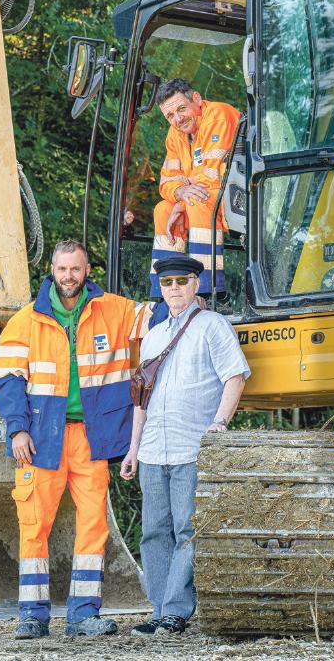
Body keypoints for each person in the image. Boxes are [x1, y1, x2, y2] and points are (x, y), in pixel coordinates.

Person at [0, 239, 152, 640]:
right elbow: (7, 380)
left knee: (94, 523)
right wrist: (17, 429)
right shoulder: (25, 321)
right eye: (62, 269)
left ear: (87, 270)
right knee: (34, 523)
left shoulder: (113, 310)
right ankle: (32, 615)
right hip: (41, 438)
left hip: (91, 438)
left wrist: (192, 295)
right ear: (52, 270)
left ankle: (83, 614)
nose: (68, 277)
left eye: (76, 269)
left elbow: (163, 314)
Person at [120, 255, 250, 636]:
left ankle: (176, 610)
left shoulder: (212, 326)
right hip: (152, 451)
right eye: (167, 283)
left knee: (186, 531)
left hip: (191, 448)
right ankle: (160, 609)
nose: (173, 289)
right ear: (159, 288)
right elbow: (141, 400)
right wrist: (132, 449)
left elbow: (236, 376)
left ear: (196, 283)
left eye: (181, 281)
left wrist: (219, 423)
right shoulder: (155, 335)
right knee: (153, 533)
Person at [150, 78, 240, 304]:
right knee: (162, 210)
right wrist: (179, 194)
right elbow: (168, 181)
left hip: (236, 198)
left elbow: (211, 176)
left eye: (181, 109)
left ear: (197, 99)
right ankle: (165, 290)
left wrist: (181, 201)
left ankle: (210, 291)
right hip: (204, 200)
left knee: (195, 201)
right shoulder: (175, 135)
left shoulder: (219, 114)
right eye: (170, 116)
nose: (177, 119)